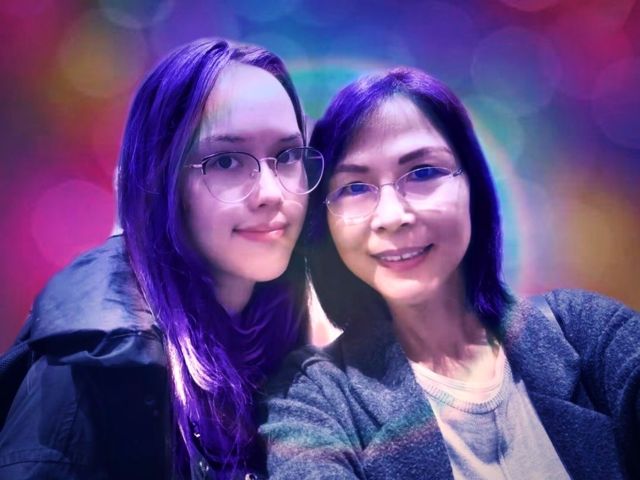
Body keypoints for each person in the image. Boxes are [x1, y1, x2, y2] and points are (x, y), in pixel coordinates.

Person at [260, 67, 640, 479]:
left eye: (423, 172)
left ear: (472, 184)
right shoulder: (313, 396)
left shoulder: (584, 331)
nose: (392, 216)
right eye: (354, 187)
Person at [0, 38, 324, 479]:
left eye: (286, 156)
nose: (271, 192)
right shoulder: (92, 373)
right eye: (227, 162)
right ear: (162, 179)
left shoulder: (283, 348)